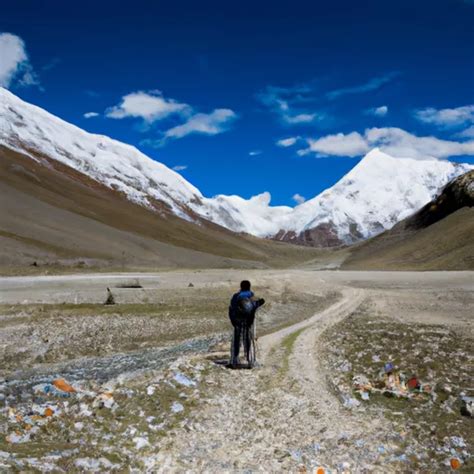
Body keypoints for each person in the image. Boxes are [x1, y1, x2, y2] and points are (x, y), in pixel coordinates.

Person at [228, 280, 265, 368]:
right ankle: (250, 360)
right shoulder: (252, 296)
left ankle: (234, 360)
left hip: (237, 321)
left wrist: (233, 319)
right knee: (248, 338)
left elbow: (232, 307)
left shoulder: (236, 296)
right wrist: (261, 301)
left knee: (236, 339)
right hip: (248, 322)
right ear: (249, 287)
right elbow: (257, 304)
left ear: (241, 287)